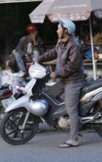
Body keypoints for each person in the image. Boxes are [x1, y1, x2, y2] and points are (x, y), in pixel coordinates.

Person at [35, 19, 85, 148]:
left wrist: (56, 73)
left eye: (59, 28)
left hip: (73, 80)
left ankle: (73, 139)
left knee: (71, 108)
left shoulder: (74, 45)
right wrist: (39, 58)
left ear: (66, 30)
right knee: (49, 94)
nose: (57, 30)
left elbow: (72, 66)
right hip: (65, 79)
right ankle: (59, 119)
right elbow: (53, 53)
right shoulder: (62, 43)